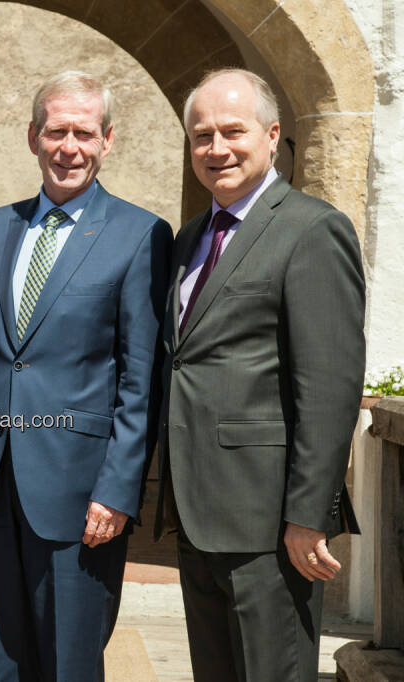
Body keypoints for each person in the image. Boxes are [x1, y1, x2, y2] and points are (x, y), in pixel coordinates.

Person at [0, 71, 172, 680]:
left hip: (82, 495)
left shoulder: (141, 236)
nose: (68, 147)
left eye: (83, 133)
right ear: (33, 138)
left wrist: (117, 489)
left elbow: (140, 378)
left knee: (70, 662)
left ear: (107, 141)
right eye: (56, 132)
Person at [154, 68, 364, 681]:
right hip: (197, 512)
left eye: (232, 132)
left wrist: (308, 515)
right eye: (201, 136)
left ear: (272, 136)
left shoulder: (312, 228)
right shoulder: (192, 237)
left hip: (271, 525)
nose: (216, 149)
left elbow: (328, 386)